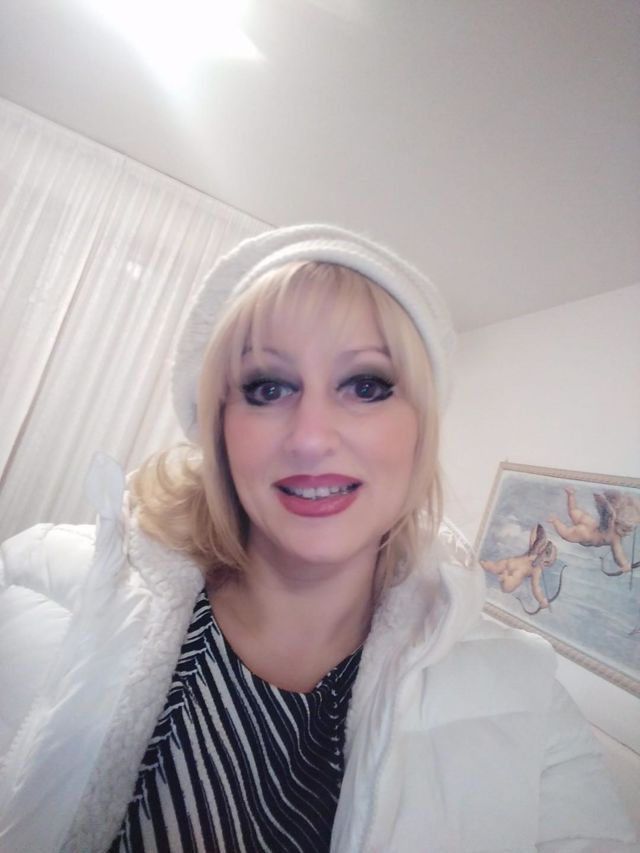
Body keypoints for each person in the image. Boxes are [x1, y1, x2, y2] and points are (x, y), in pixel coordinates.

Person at [0, 225, 636, 853]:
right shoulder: (44, 581)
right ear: (219, 428)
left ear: (421, 429)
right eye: (267, 388)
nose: (310, 438)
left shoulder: (524, 695)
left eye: (366, 385)